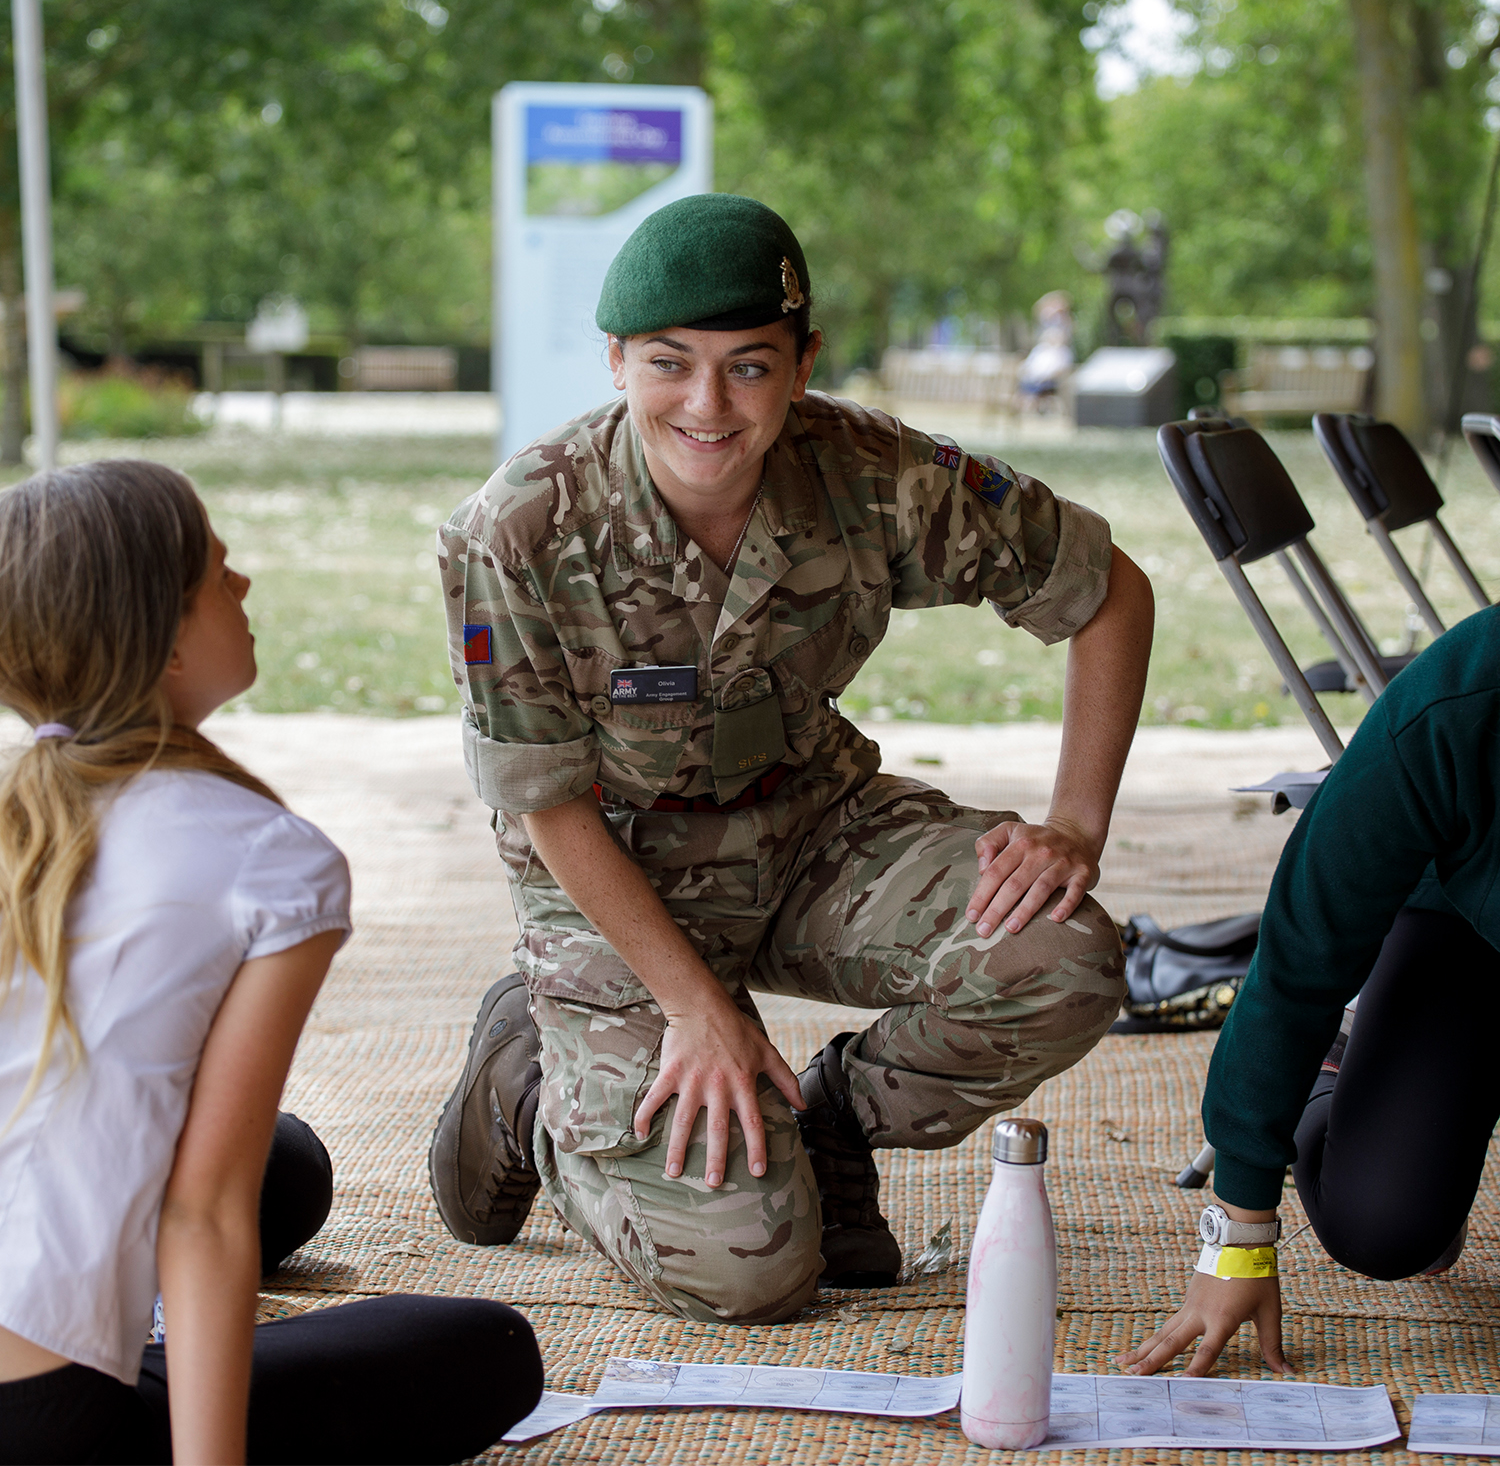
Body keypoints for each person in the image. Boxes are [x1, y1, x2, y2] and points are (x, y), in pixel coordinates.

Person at [431, 193, 1154, 1323]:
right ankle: (531, 1090)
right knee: (751, 1270)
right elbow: (548, 806)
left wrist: (1075, 823)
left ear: (804, 363)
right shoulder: (517, 532)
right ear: (616, 360)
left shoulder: (873, 471)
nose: (708, 406)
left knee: (1059, 957)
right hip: (615, 875)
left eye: (751, 367)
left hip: (812, 830)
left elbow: (1107, 592)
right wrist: (692, 1008)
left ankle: (827, 1121)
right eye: (670, 364)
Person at [0, 461, 543, 1465]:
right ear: (158, 637)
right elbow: (202, 1215)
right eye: (218, 572)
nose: (243, 587)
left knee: (284, 1168)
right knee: (488, 1347)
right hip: (41, 1413)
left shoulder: (21, 812)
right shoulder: (268, 860)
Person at [1119, 606, 1500, 1379]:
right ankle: (1334, 1076)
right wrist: (1240, 1239)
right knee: (1386, 1225)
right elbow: (1297, 959)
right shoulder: (1461, 699)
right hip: (1461, 926)